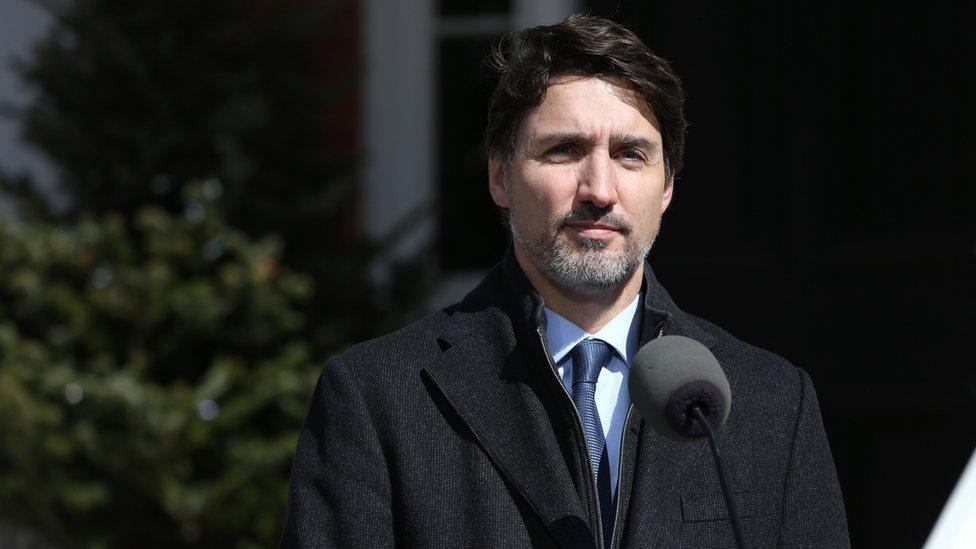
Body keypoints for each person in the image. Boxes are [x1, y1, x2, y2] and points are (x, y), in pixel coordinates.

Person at [281, 14, 850, 548]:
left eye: (631, 154)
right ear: (501, 178)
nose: (599, 189)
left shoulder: (771, 401)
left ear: (668, 187)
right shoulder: (378, 397)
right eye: (564, 151)